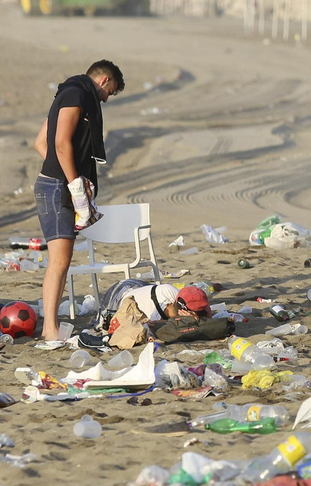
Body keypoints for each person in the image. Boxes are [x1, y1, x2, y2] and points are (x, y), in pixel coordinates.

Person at [32, 59, 124, 342]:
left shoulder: (68, 91)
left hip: (53, 183)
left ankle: (51, 327)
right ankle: (50, 330)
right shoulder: (77, 93)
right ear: (104, 81)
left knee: (62, 260)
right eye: (111, 93)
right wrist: (73, 183)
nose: (107, 100)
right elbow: (60, 143)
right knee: (59, 261)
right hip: (57, 187)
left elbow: (40, 143)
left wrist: (62, 173)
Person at [98, 281, 211, 350]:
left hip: (138, 286)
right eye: (199, 314)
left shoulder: (173, 292)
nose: (202, 317)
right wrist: (189, 322)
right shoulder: (151, 316)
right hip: (117, 296)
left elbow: (208, 315)